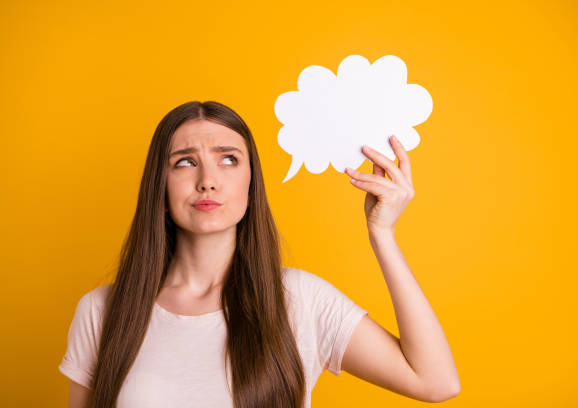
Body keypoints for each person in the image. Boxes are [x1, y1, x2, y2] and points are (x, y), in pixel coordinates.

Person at [59, 100, 460, 407]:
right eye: (185, 163)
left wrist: (383, 234)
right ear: (159, 190)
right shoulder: (102, 311)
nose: (207, 181)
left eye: (228, 160)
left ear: (252, 186)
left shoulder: (301, 300)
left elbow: (435, 382)